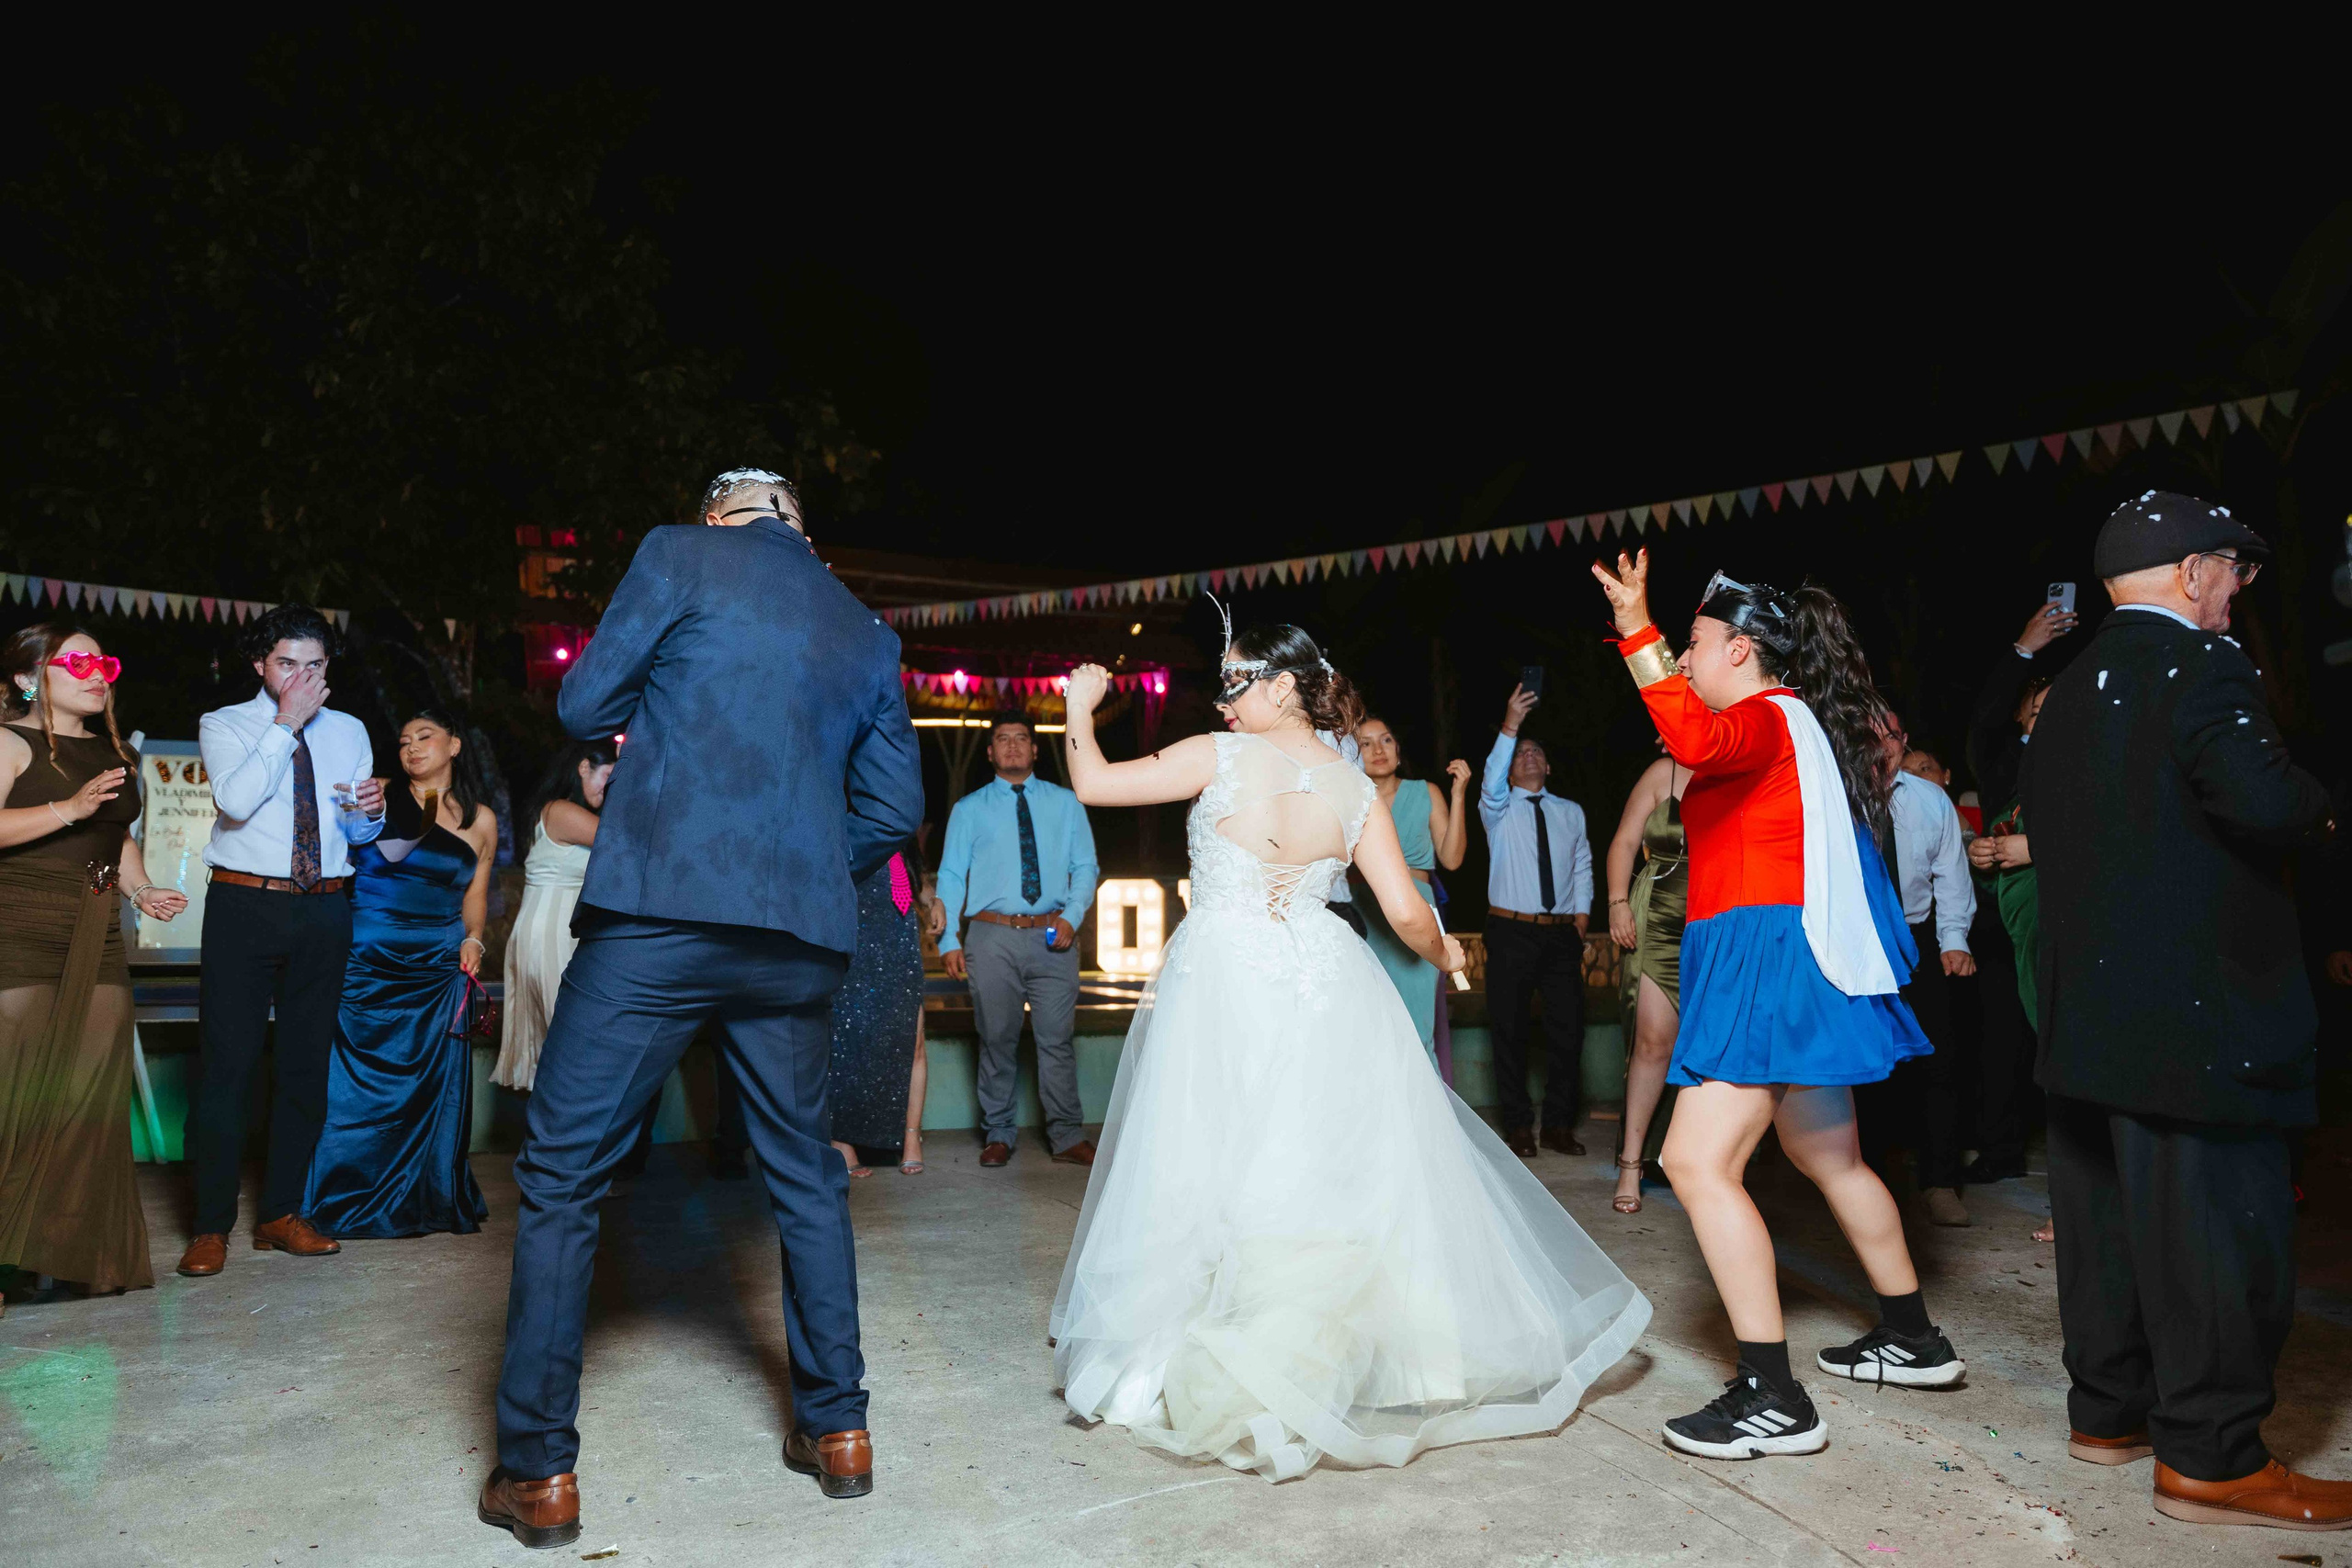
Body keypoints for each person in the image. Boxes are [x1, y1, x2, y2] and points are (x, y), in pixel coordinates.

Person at [1049, 621, 1649, 1483]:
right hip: (1325, 980)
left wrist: (1079, 706)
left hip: (1224, 976)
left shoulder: (1216, 756)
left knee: (1206, 1154)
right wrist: (1447, 951)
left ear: (1282, 688)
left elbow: (1094, 781)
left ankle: (1203, 1346)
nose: (1223, 697)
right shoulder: (1353, 788)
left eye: (1236, 681)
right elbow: (1406, 914)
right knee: (1316, 1164)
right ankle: (1339, 1355)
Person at [478, 468, 922, 1546]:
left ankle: (538, 1473)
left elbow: (585, 706)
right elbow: (894, 808)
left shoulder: (678, 553)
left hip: (660, 919)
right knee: (806, 1175)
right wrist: (796, 863)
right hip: (794, 942)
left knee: (563, 1173)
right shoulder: (865, 629)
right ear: (799, 529)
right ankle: (840, 1429)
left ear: (719, 513)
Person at [1592, 549, 1963, 1462]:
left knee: (1694, 1159)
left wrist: (1636, 631)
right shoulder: (1789, 723)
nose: (1684, 658)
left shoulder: (1763, 716)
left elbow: (1691, 740)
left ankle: (1772, 1396)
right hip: (1786, 955)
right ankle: (1913, 1336)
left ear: (1740, 651)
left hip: (1768, 962)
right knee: (1827, 1154)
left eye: (1692, 643)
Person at [2026, 491, 2347, 1530]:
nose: (2237, 591)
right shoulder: (2203, 666)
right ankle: (2211, 1459)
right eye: (2232, 571)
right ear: (2191, 572)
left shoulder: (2066, 689)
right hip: (2195, 1018)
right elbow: (2262, 799)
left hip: (2086, 1017)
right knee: (2218, 1233)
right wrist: (2323, 810)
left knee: (2108, 1227)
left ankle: (2107, 1414)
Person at [181, 604, 387, 1280]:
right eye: (288, 663)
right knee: (227, 1067)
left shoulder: (350, 729)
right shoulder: (224, 724)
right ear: (260, 665)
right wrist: (286, 724)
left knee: (304, 1067)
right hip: (245, 904)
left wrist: (371, 814)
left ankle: (281, 1212)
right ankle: (210, 1225)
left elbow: (354, 834)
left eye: (316, 664)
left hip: (326, 906)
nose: (303, 676)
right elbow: (236, 802)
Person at [0, 626, 187, 1312]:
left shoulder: (116, 753)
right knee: (14, 1094)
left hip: (98, 930)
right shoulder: (9, 743)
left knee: (88, 1101)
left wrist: (142, 890)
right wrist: (67, 807)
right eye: (75, 661)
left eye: (102, 662)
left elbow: (117, 838)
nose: (95, 672)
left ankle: (70, 1253)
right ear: (28, 678)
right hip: (21, 929)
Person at [300, 708, 497, 1238]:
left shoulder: (480, 819)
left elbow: (475, 894)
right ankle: (340, 1193)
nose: (411, 747)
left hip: (437, 965)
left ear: (454, 745)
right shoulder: (378, 792)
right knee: (353, 1080)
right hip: (366, 956)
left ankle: (425, 1193)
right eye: (405, 739)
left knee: (428, 1084)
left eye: (425, 736)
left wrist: (474, 937)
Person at [933, 712, 1098, 1168]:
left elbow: (1085, 867)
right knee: (996, 1038)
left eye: (1021, 738)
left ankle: (1067, 1136)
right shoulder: (969, 809)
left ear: (1035, 749)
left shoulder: (1066, 803)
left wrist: (1072, 917)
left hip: (1053, 934)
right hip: (991, 936)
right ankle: (999, 1133)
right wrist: (948, 941)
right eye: (1002, 739)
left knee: (1057, 1041)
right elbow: (951, 875)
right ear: (990, 752)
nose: (1011, 746)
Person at [1958, 598, 2073, 1188]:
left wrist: (2038, 848)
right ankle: (2000, 1149)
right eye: (2039, 707)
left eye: (2060, 708)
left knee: (2065, 1041)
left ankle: (2079, 1174)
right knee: (2002, 1040)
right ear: (2022, 716)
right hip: (2004, 927)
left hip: (2070, 924)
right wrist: (2024, 649)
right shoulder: (2005, 764)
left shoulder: (2086, 766)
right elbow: (1983, 724)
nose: (2048, 716)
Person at [1864, 715, 1977, 1227]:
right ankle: (1868, 1184)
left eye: (1888, 734)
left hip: (1915, 939)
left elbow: (1951, 873)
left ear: (1903, 741)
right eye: (1866, 733)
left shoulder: (1932, 800)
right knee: (1868, 1066)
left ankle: (1939, 1183)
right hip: (1859, 942)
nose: (1879, 744)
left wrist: (1953, 939)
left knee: (1938, 1061)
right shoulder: (1836, 794)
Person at [1476, 686, 1594, 1157]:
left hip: (1562, 934)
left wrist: (1581, 921)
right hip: (1510, 932)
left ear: (1548, 768)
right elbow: (1490, 781)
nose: (1528, 756)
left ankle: (1559, 1126)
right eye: (1521, 753)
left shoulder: (1571, 812)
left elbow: (1582, 866)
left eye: (1536, 752)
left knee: (1569, 1031)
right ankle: (1519, 1126)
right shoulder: (1498, 810)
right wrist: (1511, 725)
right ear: (1509, 769)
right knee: (1509, 1031)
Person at [493, 739, 616, 1093]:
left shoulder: (562, 811)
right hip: (550, 933)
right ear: (584, 767)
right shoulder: (562, 811)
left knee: (560, 1042)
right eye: (607, 776)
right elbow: (629, 842)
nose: (610, 787)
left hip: (553, 930)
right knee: (569, 1041)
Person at [1351, 716, 1469, 1065]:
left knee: (1417, 1030)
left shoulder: (1425, 792)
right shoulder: (1350, 799)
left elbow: (1452, 859)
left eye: (1386, 739)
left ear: (1398, 750)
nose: (1378, 749)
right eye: (1366, 743)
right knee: (1369, 1029)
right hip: (1362, 914)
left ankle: (1425, 1100)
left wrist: (1458, 795)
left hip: (1417, 911)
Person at [1603, 746, 1689, 1214]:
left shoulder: (1739, 765)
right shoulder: (1663, 771)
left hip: (1721, 919)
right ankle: (1630, 1163)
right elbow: (1623, 842)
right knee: (1653, 1043)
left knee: (1712, 1047)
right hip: (1659, 917)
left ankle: (1696, 1161)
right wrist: (1618, 902)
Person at [824, 841, 925, 1179]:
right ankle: (841, 1141)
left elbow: (916, 883)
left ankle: (911, 1138)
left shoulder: (902, 836)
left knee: (914, 1042)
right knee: (845, 1045)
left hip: (902, 948)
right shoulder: (845, 831)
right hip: (856, 947)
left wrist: (933, 900)